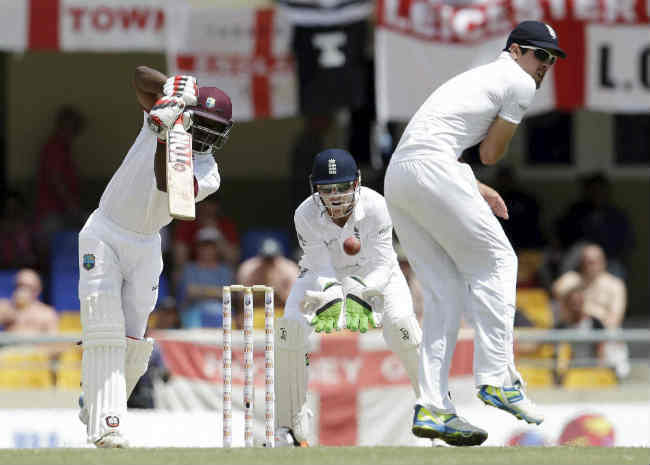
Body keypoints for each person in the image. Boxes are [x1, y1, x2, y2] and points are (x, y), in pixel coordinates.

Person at [384, 20, 566, 444]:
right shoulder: (519, 82)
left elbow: (434, 147)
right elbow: (489, 153)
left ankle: (433, 406)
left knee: (444, 294)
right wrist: (474, 175)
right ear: (516, 50)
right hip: (433, 169)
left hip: (400, 176)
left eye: (552, 59)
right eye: (540, 55)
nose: (545, 65)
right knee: (499, 261)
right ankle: (498, 378)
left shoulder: (481, 77)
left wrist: (473, 185)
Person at [76, 66, 233, 448]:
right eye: (203, 124)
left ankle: (95, 398)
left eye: (214, 129)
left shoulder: (208, 172)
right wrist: (171, 90)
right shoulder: (167, 114)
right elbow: (137, 77)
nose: (205, 135)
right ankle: (108, 426)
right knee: (104, 325)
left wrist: (166, 134)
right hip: (104, 232)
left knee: (135, 341)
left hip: (147, 245)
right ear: (192, 114)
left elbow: (169, 184)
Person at [274, 148, 423, 447]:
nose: (335, 196)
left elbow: (383, 264)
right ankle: (291, 425)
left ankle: (435, 410)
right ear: (315, 188)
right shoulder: (305, 213)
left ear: (356, 182)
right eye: (327, 189)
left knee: (403, 329)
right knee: (289, 332)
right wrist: (332, 294)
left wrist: (360, 292)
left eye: (342, 187)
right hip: (322, 274)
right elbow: (319, 264)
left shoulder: (377, 206)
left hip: (378, 274)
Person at [551, 243, 629, 378]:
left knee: (612, 341)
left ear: (603, 262)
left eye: (594, 261)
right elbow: (556, 291)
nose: (590, 265)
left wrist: (586, 308)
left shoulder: (615, 285)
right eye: (586, 261)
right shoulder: (574, 279)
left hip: (605, 335)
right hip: (578, 333)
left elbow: (614, 321)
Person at [36, 105, 86, 235]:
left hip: (62, 211)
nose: (73, 133)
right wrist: (71, 206)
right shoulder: (54, 148)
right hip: (52, 212)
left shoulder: (65, 148)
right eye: (71, 128)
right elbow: (56, 180)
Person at [176, 227, 234, 328]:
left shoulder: (224, 270)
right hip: (194, 311)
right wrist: (216, 292)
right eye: (203, 246)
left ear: (217, 249)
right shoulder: (189, 268)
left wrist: (201, 291)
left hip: (221, 311)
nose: (207, 250)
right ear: (197, 248)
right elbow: (190, 292)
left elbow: (228, 294)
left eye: (211, 246)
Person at [235, 237, 299, 328]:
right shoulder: (248, 269)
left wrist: (276, 291)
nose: (268, 262)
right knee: (244, 321)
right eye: (266, 258)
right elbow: (241, 302)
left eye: (271, 259)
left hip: (281, 312)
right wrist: (262, 292)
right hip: (255, 313)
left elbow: (293, 303)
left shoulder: (290, 270)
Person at [0, 269, 58, 334]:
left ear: (37, 290)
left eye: (27, 286)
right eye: (19, 285)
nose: (22, 289)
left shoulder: (47, 313)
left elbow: (53, 338)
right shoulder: (5, 307)